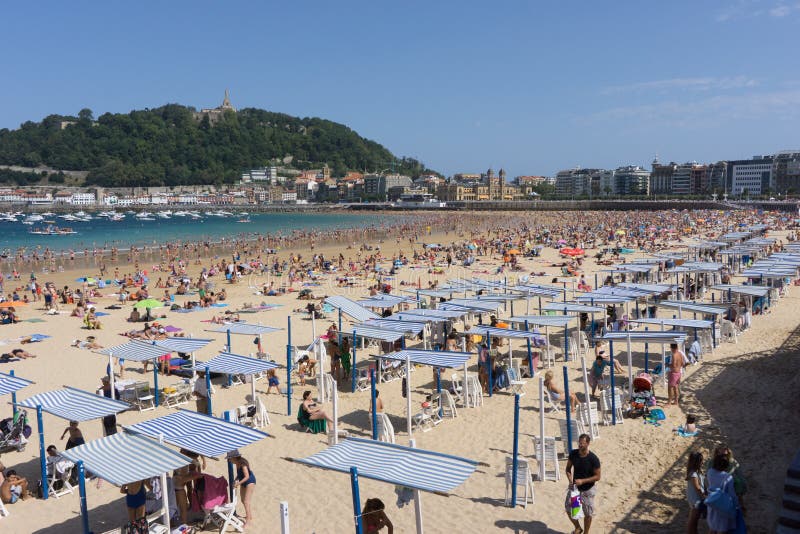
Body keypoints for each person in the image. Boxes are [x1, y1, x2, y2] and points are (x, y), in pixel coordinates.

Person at [565, 433, 601, 534]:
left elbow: (598, 476)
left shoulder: (593, 459)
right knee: (569, 509)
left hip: (588, 490)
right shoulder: (573, 454)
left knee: (588, 514)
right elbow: (568, 469)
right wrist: (570, 481)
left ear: (588, 443)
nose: (580, 445)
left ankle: (586, 533)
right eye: (579, 443)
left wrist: (582, 481)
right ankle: (578, 528)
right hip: (576, 490)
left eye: (582, 443)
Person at [705, 447, 739, 533]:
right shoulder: (728, 477)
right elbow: (732, 494)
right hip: (723, 505)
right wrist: (736, 505)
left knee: (712, 528)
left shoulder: (710, 472)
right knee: (721, 529)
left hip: (712, 502)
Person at [229, 452, 256, 528]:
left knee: (246, 501)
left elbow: (247, 476)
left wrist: (238, 483)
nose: (229, 460)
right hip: (243, 481)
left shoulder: (243, 464)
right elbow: (240, 474)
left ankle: (248, 521)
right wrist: (236, 479)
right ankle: (249, 516)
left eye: (230, 458)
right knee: (243, 500)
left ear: (234, 458)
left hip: (250, 481)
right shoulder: (237, 463)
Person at [685, 451, 706, 534]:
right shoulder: (693, 474)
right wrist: (704, 496)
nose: (702, 462)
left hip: (695, 499)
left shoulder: (695, 472)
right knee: (693, 520)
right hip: (696, 499)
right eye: (701, 461)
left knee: (694, 520)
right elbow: (697, 487)